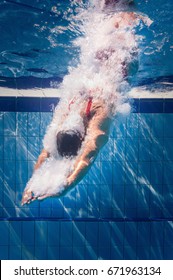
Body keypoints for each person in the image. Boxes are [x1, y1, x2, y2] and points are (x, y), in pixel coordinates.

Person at [21, 1, 150, 205]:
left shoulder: (98, 114)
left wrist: (61, 186)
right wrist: (35, 185)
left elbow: (86, 158)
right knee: (109, 18)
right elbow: (47, 154)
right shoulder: (67, 111)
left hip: (121, 66)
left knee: (123, 19)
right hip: (105, 60)